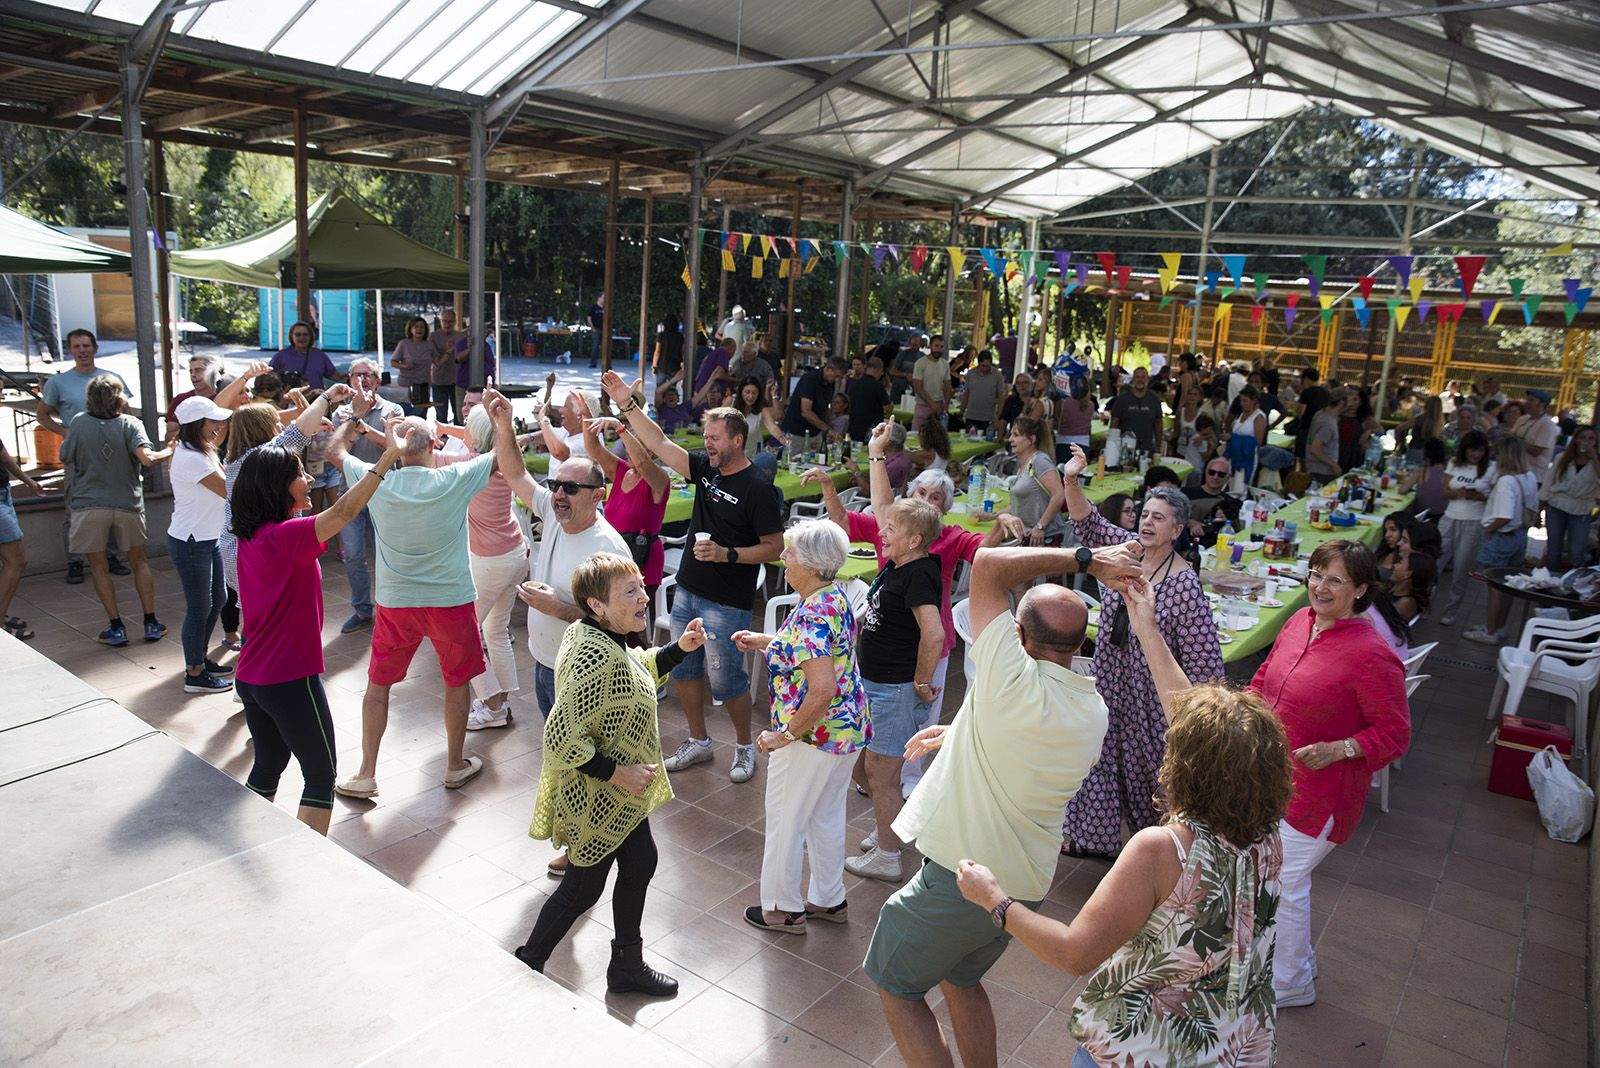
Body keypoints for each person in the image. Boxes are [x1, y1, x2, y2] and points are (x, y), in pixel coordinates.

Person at [956, 576, 1290, 1068]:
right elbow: (1194, 715)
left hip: (1145, 1047)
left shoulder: (1160, 849)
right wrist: (1147, 628)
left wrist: (994, 899)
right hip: (1232, 1042)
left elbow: (1074, 953)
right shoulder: (1268, 832)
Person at [865, 540, 1139, 1066]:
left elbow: (987, 564)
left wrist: (1087, 558)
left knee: (896, 985)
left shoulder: (1007, 678)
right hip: (1023, 885)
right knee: (961, 980)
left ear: (1018, 636)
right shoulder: (1092, 707)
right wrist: (962, 728)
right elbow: (1018, 737)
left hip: (959, 877)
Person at [514, 553, 703, 996]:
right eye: (630, 592)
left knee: (640, 863)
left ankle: (626, 967)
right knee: (582, 889)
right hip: (599, 795)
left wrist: (679, 650)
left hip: (619, 795)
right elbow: (559, 737)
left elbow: (634, 672)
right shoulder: (591, 656)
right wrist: (617, 773)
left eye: (641, 585)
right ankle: (526, 964)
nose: (644, 597)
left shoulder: (600, 635)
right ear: (597, 605)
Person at [601, 371, 785, 784]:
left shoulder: (759, 488)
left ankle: (742, 746)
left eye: (715, 437)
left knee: (727, 678)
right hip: (688, 590)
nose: (708, 443)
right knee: (683, 670)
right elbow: (660, 443)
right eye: (707, 436)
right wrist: (626, 404)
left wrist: (728, 554)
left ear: (737, 440)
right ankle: (699, 741)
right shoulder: (705, 469)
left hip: (727, 600)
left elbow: (774, 547)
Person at [1252, 539, 1409, 1007]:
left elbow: (1395, 735)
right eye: (1316, 574)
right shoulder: (1300, 621)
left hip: (1322, 796)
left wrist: (1342, 748)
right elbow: (1264, 679)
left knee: (1283, 883)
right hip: (1274, 780)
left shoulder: (1371, 654)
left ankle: (1291, 983)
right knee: (1274, 880)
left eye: (1335, 580)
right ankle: (1291, 965)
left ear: (1360, 590)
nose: (1320, 587)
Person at [229, 418, 404, 833]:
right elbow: (345, 510)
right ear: (278, 488)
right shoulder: (285, 536)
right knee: (322, 776)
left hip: (252, 677)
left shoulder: (253, 536)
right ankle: (313, 865)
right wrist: (388, 457)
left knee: (270, 762)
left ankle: (253, 838)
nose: (309, 480)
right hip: (289, 679)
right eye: (300, 475)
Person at [332, 401, 513, 800]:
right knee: (457, 682)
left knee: (378, 686)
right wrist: (501, 420)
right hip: (450, 601)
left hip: (397, 603)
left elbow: (334, 452)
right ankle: (453, 766)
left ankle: (365, 773)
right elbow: (503, 456)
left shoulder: (376, 480)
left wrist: (351, 420)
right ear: (434, 442)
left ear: (398, 445)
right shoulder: (454, 477)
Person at [1061, 444, 1224, 858]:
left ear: (1177, 530)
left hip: (1151, 699)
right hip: (1110, 684)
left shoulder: (1185, 585)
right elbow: (1088, 523)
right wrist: (1071, 479)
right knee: (1097, 759)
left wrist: (1196, 715)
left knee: (1150, 774)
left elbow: (1205, 662)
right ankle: (1091, 840)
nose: (1148, 522)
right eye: (1146, 514)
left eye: (1159, 519)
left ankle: (1156, 855)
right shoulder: (1126, 550)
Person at [733, 520, 869, 933]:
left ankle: (782, 909)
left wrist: (786, 733)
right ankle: (828, 900)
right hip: (847, 729)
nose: (783, 559)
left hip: (813, 735)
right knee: (825, 815)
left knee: (785, 820)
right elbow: (820, 654)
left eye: (790, 553)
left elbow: (822, 686)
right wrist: (767, 641)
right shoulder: (832, 595)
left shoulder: (811, 612)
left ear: (810, 563)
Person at [488, 409, 629, 722]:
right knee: (557, 751)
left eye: (571, 488)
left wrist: (558, 608)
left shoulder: (608, 550)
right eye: (555, 485)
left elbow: (620, 627)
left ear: (598, 496)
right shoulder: (554, 512)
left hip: (582, 674)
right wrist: (503, 423)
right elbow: (514, 474)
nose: (559, 495)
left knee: (580, 758)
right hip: (544, 662)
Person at [841, 497, 944, 884]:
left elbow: (933, 635)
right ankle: (893, 831)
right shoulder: (897, 567)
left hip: (894, 690)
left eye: (891, 529)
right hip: (875, 684)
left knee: (881, 774)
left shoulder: (918, 574)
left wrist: (920, 683)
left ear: (915, 539)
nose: (881, 533)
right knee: (864, 767)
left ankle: (887, 856)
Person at [61, 374, 171, 646]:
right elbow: (147, 459)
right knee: (139, 561)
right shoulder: (131, 424)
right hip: (127, 503)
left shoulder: (78, 423)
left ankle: (116, 627)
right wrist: (170, 449)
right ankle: (150, 622)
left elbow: (65, 456)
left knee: (98, 567)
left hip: (88, 504)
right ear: (119, 397)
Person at [455, 403, 530, 733]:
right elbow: (483, 438)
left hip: (491, 563)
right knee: (495, 629)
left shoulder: (471, 469)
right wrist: (446, 430)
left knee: (462, 634)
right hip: (515, 555)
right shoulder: (508, 460)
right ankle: (504, 701)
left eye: (467, 426)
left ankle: (493, 704)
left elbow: (426, 456)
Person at [38, 329, 132, 585]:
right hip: (78, 457)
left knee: (113, 506)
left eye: (86, 345)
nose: (82, 350)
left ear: (95, 348)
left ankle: (112, 556)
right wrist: (65, 432)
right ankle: (75, 562)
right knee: (74, 508)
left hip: (112, 456)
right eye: (77, 346)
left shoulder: (112, 378)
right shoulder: (58, 383)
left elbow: (127, 412)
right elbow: (43, 414)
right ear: (70, 350)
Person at [329, 364, 406, 634]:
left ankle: (393, 608)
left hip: (384, 493)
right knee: (353, 555)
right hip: (350, 492)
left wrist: (362, 427)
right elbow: (338, 454)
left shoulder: (392, 410)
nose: (362, 380)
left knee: (389, 554)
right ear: (349, 380)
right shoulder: (340, 412)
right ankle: (362, 609)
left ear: (377, 379)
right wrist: (355, 419)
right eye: (356, 375)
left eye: (368, 375)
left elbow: (396, 447)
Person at [167, 395, 236, 694]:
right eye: (213, 421)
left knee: (217, 599)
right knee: (200, 606)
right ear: (197, 425)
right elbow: (227, 490)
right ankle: (194, 673)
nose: (220, 426)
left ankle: (199, 658)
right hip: (192, 541)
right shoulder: (191, 458)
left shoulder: (202, 450)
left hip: (208, 537)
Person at [582, 413, 670, 614]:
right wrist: (587, 415)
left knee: (631, 619)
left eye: (639, 444)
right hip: (614, 555)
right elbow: (594, 448)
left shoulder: (659, 479)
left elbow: (642, 464)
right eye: (633, 441)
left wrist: (621, 429)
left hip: (641, 559)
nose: (630, 450)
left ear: (652, 451)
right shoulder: (621, 470)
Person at [1464, 436, 1541, 645]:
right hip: (1519, 536)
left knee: (1495, 587)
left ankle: (1490, 631)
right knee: (1509, 585)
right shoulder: (1529, 477)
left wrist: (1488, 529)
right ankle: (1500, 627)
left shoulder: (1506, 481)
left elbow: (1503, 516)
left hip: (1502, 536)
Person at [1436, 429, 1495, 626]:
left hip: (1473, 522)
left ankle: (1451, 611)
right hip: (1449, 518)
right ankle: (1424, 604)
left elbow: (1493, 497)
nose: (1475, 454)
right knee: (1435, 563)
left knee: (1461, 569)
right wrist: (1459, 493)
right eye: (1472, 450)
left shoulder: (1491, 468)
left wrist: (1476, 496)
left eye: (1479, 451)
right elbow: (1444, 491)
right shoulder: (1454, 463)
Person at [1540, 425, 1599, 571]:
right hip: (1557, 505)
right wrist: (1541, 503)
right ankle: (1550, 580)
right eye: (1583, 438)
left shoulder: (1595, 462)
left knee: (1576, 550)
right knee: (1554, 548)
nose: (1587, 442)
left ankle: (1574, 581)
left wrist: (1595, 458)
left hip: (1582, 508)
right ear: (1576, 440)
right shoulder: (1563, 458)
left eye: (1591, 438)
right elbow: (1549, 480)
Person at [1, 439, 41, 640]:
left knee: (12, 561)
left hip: (3, 493)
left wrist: (28, 480)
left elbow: (5, 458)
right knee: (15, 561)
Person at [1006, 416, 1065, 545]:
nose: (1010, 439)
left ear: (1031, 440)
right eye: (1011, 434)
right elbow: (1018, 505)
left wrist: (1040, 526)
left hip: (1046, 538)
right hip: (1028, 538)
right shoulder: (1023, 464)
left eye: (1016, 435)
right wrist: (991, 516)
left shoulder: (1040, 460)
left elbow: (1059, 494)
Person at [731, 376, 785, 481]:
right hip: (731, 460)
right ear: (741, 391)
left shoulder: (761, 411)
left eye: (754, 393)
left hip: (752, 462)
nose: (750, 396)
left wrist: (784, 440)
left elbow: (772, 426)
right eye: (747, 392)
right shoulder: (731, 405)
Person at [781, 357, 846, 440]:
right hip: (796, 431)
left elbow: (825, 407)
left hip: (814, 431)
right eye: (836, 376)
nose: (836, 379)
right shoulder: (810, 379)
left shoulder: (830, 382)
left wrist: (827, 426)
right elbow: (806, 412)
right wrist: (827, 429)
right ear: (829, 369)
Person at [844, 419, 912, 495]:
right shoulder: (899, 458)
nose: (875, 436)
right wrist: (860, 478)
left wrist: (856, 471)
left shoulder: (895, 466)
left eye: (880, 434)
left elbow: (871, 492)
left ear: (888, 442)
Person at [1107, 367, 1163, 456]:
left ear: (1147, 379)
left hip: (1146, 448)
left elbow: (1158, 424)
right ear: (1133, 379)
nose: (1140, 380)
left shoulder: (1154, 399)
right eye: (1137, 377)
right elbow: (1114, 422)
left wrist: (1158, 446)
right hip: (1124, 448)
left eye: (1143, 377)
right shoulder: (1122, 399)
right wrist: (1111, 446)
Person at [269, 321, 340, 391]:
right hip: (291, 400)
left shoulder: (319, 355)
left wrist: (349, 374)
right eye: (298, 334)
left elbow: (334, 376)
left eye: (305, 334)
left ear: (311, 336)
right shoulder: (281, 356)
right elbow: (269, 378)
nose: (302, 338)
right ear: (291, 336)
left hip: (317, 399)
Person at [165, 354, 223, 432]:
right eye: (191, 371)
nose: (193, 375)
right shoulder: (181, 399)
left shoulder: (225, 397)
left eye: (198, 370)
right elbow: (170, 433)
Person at [389, 316, 436, 413]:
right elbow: (393, 362)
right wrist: (404, 366)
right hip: (406, 385)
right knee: (406, 413)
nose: (419, 329)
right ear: (410, 329)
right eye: (416, 327)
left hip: (423, 385)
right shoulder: (404, 344)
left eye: (422, 327)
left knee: (422, 415)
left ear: (425, 330)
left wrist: (448, 351)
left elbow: (438, 362)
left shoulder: (429, 345)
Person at [1222, 385, 1268, 484]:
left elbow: (1258, 441)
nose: (1241, 404)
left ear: (1254, 401)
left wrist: (1232, 437)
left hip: (1247, 459)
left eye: (1245, 401)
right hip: (1234, 457)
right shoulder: (1242, 414)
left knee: (1241, 488)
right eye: (1241, 401)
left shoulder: (1259, 417)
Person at [1512, 388, 1560, 481]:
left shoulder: (1547, 424)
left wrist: (1515, 439)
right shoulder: (1523, 419)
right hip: (1515, 470)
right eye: (1527, 399)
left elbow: (1536, 451)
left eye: (1531, 400)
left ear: (1542, 404)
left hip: (1533, 475)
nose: (1526, 403)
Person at [428, 309, 466, 422]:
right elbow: (435, 360)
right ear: (440, 321)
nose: (447, 324)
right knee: (440, 414)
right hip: (439, 380)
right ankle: (441, 438)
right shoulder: (433, 336)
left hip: (457, 381)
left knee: (459, 413)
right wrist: (447, 350)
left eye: (450, 321)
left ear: (455, 322)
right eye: (444, 321)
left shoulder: (461, 337)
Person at [911, 336, 952, 433]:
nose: (939, 349)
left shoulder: (945, 364)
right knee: (916, 438)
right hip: (923, 406)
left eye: (941, 346)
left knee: (938, 440)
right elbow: (918, 388)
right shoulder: (920, 363)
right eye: (936, 346)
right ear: (930, 346)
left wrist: (945, 406)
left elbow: (947, 386)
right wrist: (932, 404)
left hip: (939, 408)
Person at [846, 355, 893, 442]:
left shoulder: (854, 384)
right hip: (871, 428)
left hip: (854, 425)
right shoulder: (877, 386)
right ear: (878, 369)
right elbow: (888, 407)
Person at [1290, 366, 1331, 461]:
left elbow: (1300, 412)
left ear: (1306, 379)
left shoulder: (1307, 392)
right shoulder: (1327, 393)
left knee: (1301, 458)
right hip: (1321, 429)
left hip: (1306, 429)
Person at [1306, 386, 1345, 483]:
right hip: (1322, 472)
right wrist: (1334, 465)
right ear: (1341, 403)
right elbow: (1315, 449)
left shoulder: (1320, 414)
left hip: (1313, 468)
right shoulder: (1328, 424)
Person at [452, 331, 496, 417]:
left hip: (483, 385)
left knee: (484, 414)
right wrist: (470, 349)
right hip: (464, 384)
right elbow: (459, 359)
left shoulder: (486, 345)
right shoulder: (461, 343)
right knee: (463, 415)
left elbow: (491, 363)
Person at [957, 350, 1003, 434]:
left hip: (988, 418)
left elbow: (1001, 397)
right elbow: (966, 394)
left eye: (987, 366)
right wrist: (961, 412)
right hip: (971, 416)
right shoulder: (971, 374)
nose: (985, 368)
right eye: (983, 366)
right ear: (978, 363)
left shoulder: (997, 375)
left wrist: (998, 416)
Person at [1402, 437, 1450, 516]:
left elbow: (1402, 490)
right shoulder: (1449, 473)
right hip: (1441, 515)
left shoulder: (1421, 471)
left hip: (1421, 514)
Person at [1055, 377, 1095, 460]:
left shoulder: (1065, 402)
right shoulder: (1090, 405)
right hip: (1083, 443)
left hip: (1063, 441)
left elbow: (1059, 420)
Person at [651, 313, 685, 403]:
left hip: (662, 366)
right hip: (674, 366)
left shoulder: (662, 335)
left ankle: (659, 408)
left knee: (659, 389)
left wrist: (654, 365)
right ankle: (670, 407)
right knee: (672, 390)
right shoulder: (680, 336)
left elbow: (657, 351)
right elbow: (682, 351)